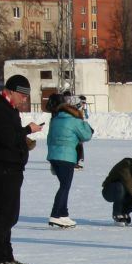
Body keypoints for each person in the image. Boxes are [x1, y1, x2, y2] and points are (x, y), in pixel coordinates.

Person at [0, 75, 43, 264]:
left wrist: (24, 140)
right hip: (3, 169)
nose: (24, 99)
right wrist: (27, 130)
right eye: (22, 95)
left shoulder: (8, 109)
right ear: (11, 91)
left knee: (10, 216)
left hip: (12, 169)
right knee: (2, 216)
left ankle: (7, 256)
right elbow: (6, 138)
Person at [44, 93, 93, 228]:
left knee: (64, 185)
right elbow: (86, 135)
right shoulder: (74, 120)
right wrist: (86, 125)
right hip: (66, 157)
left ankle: (63, 215)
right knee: (65, 186)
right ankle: (55, 215)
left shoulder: (55, 119)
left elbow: (49, 138)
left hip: (54, 156)